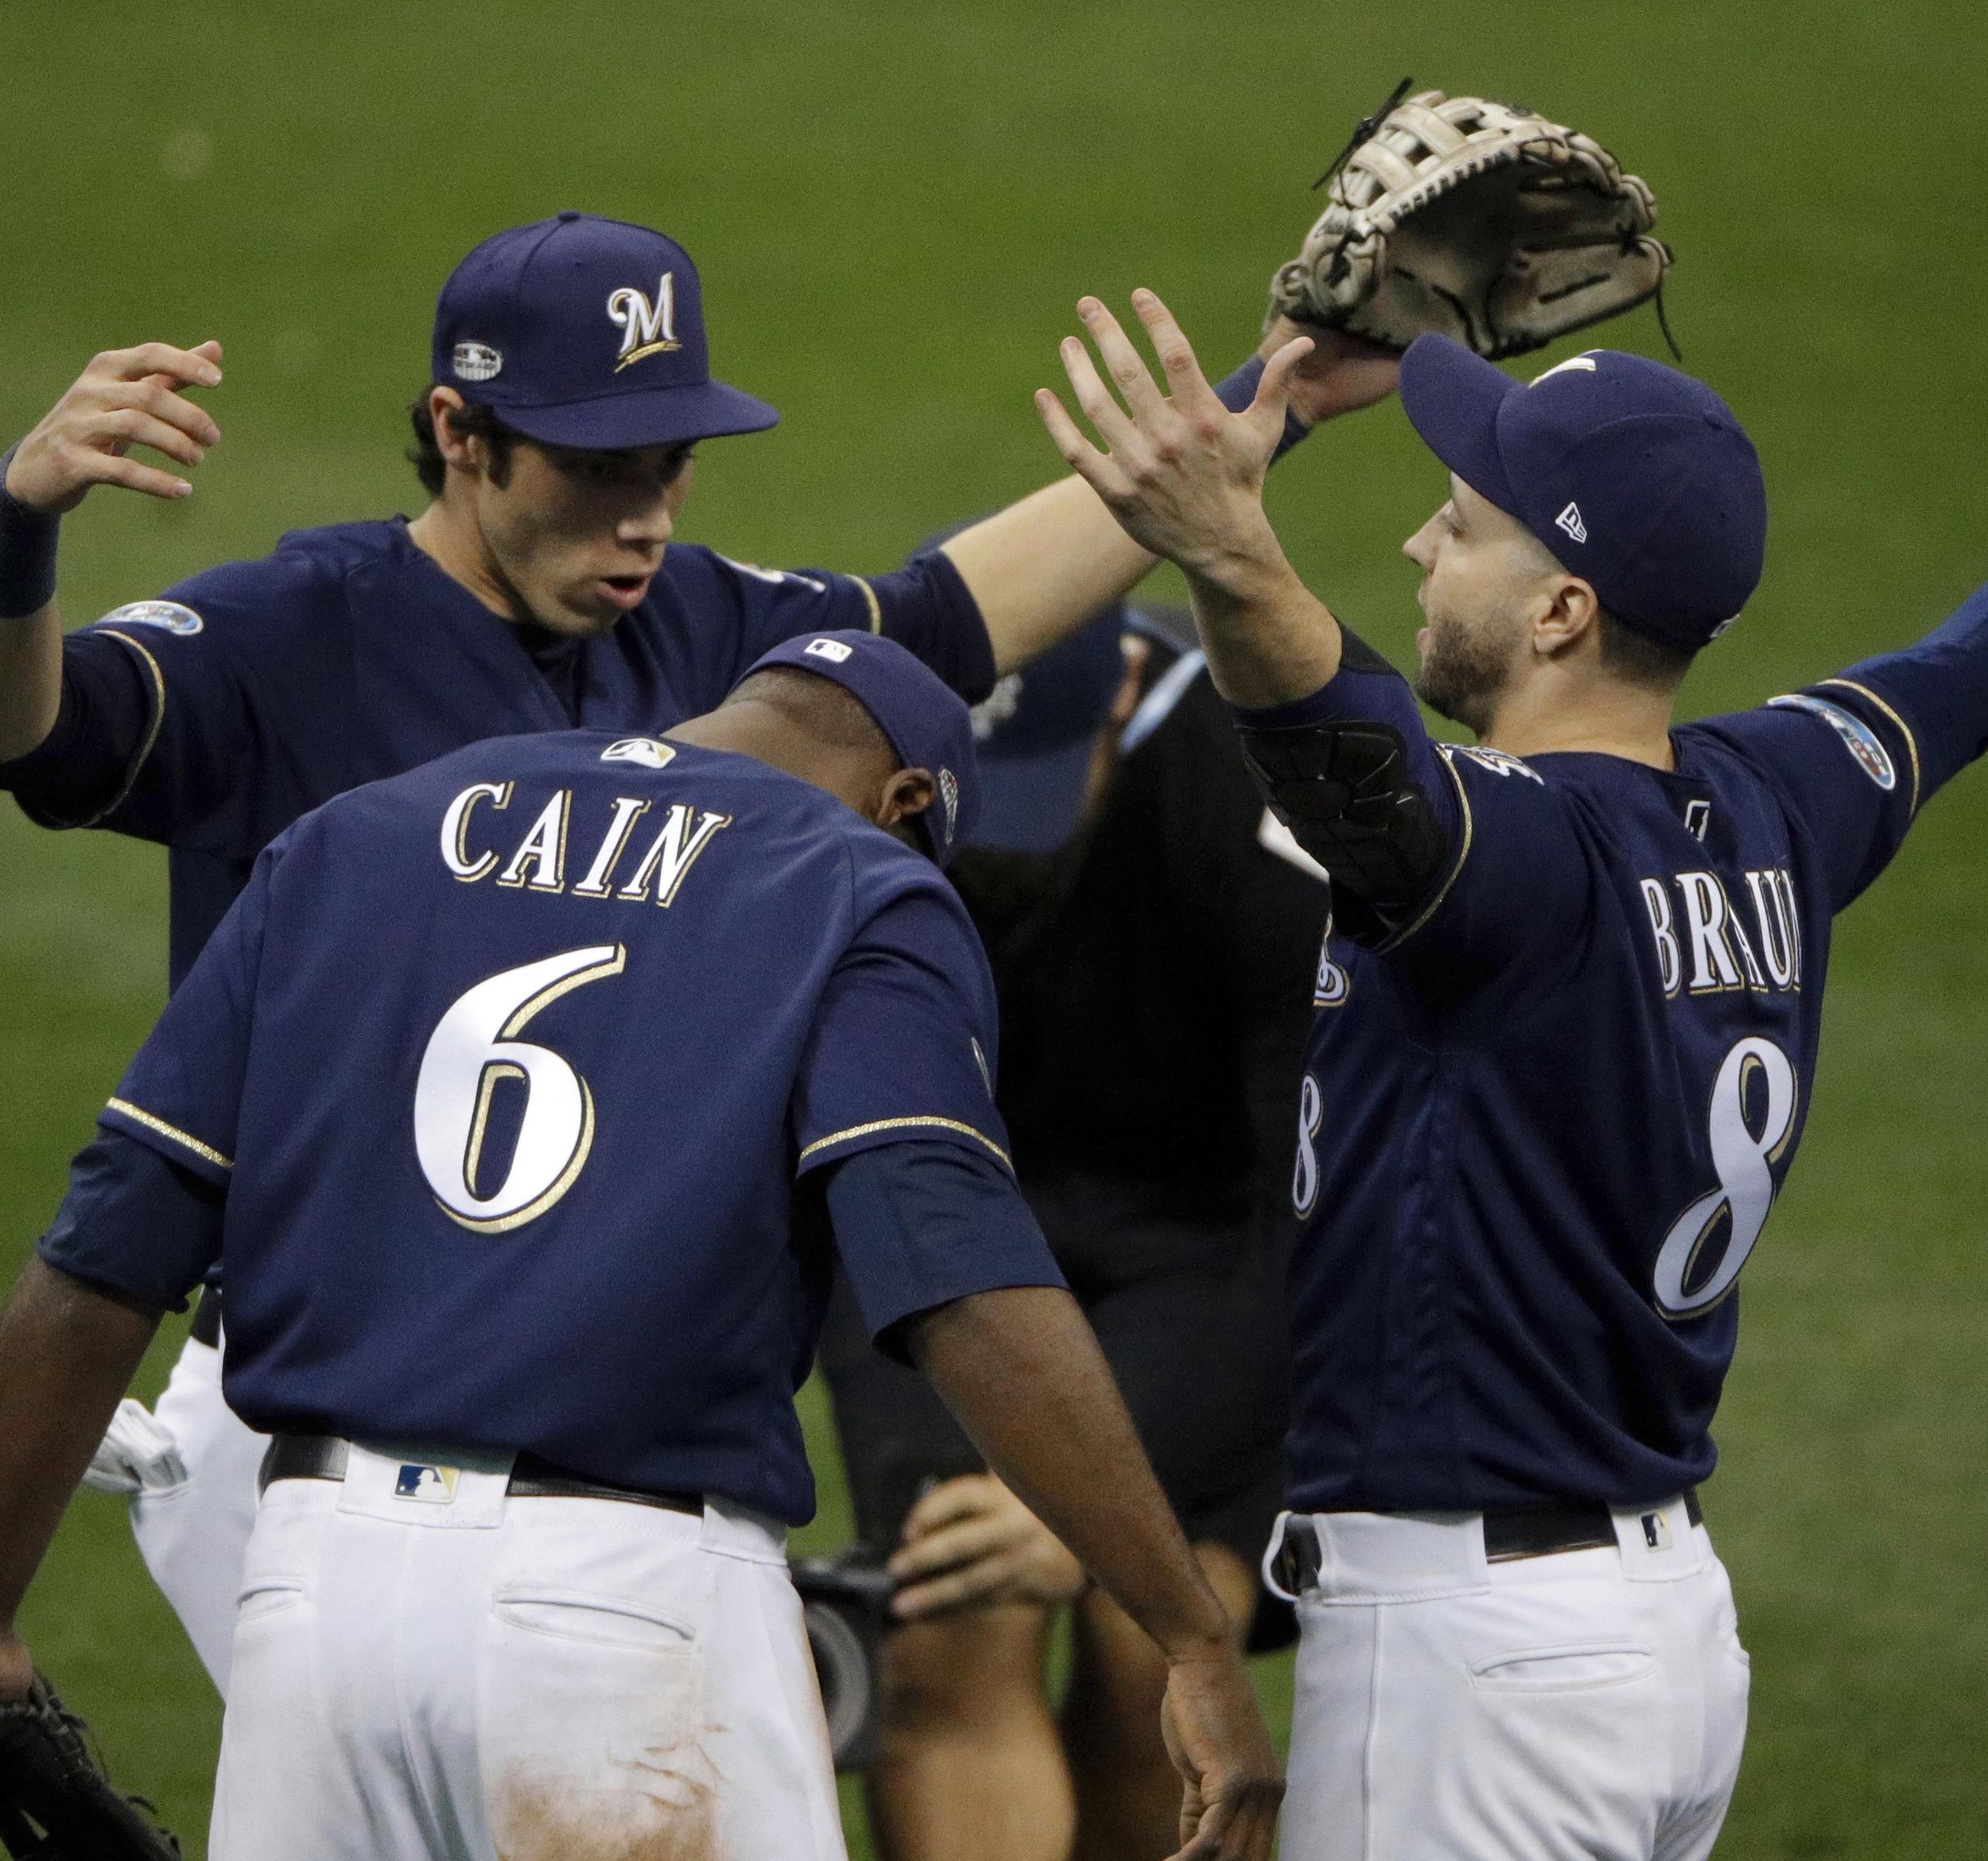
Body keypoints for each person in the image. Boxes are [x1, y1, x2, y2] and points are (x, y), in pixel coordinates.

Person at [0, 209, 1391, 1686]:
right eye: (599, 468)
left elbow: (952, 618)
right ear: (460, 432)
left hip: (602, 1381)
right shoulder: (293, 632)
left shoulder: (706, 626)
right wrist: (18, 529)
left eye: (670, 462)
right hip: (326, 1386)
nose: (647, 516)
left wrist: (1277, 398)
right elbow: (44, 738)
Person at [0, 630, 1283, 1861]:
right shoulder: (855, 879)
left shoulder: (357, 834)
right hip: (616, 1624)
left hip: (310, 1604)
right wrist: (1187, 1634)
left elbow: (98, 1260)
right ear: (902, 799)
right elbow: (951, 1272)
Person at [1033, 287, 1988, 1859]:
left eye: (1462, 525)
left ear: (1562, 613)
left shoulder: (1513, 867)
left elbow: (1332, 740)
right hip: (1654, 1626)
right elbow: (1955, 669)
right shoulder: (1779, 800)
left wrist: (1221, 536)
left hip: (1475, 1658)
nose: (1418, 546)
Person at [817, 600, 1328, 1861]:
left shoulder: (1263, 810)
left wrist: (1085, 1502)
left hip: (1210, 1229)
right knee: (949, 1616)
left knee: (1149, 1627)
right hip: (938, 1198)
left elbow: (1306, 1206)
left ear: (1123, 697)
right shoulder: (840, 781)